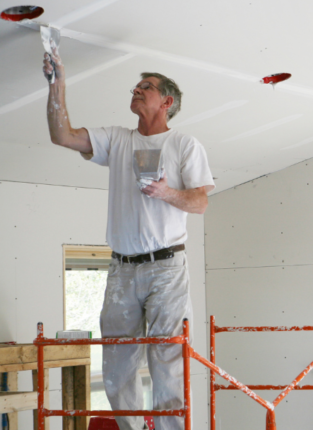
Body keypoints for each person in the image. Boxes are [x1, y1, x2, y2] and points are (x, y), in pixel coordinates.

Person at [43, 47, 214, 430]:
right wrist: (58, 84)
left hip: (167, 266)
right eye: (136, 86)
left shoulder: (184, 145)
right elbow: (62, 136)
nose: (136, 90)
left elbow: (200, 202)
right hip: (122, 267)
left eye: (146, 87)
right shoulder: (117, 139)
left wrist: (167, 193)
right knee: (118, 364)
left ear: (166, 101)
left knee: (166, 360)